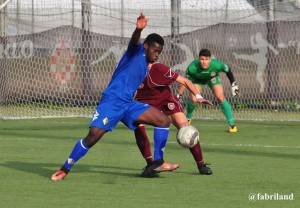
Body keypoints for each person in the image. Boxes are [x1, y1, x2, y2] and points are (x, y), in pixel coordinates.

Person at [51, 13, 172, 181]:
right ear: (146, 46)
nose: (157, 54)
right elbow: (134, 41)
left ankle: (158, 161)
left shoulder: (146, 66)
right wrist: (138, 29)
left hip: (128, 104)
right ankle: (65, 168)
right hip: (113, 101)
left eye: (160, 52)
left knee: (164, 120)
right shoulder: (137, 52)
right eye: (155, 50)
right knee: (93, 136)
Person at [134, 62, 214, 175]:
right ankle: (151, 165)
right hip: (146, 104)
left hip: (166, 101)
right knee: (137, 125)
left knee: (187, 129)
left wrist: (198, 96)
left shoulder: (159, 68)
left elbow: (184, 81)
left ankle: (201, 165)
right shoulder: (131, 71)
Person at [178, 48, 239, 133]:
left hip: (212, 78)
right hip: (197, 80)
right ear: (199, 59)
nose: (204, 62)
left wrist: (233, 84)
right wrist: (179, 94)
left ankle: (232, 126)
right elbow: (185, 81)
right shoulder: (192, 67)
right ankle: (188, 118)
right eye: (202, 59)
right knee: (194, 99)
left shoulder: (217, 64)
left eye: (206, 59)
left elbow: (228, 70)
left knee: (220, 97)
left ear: (210, 59)